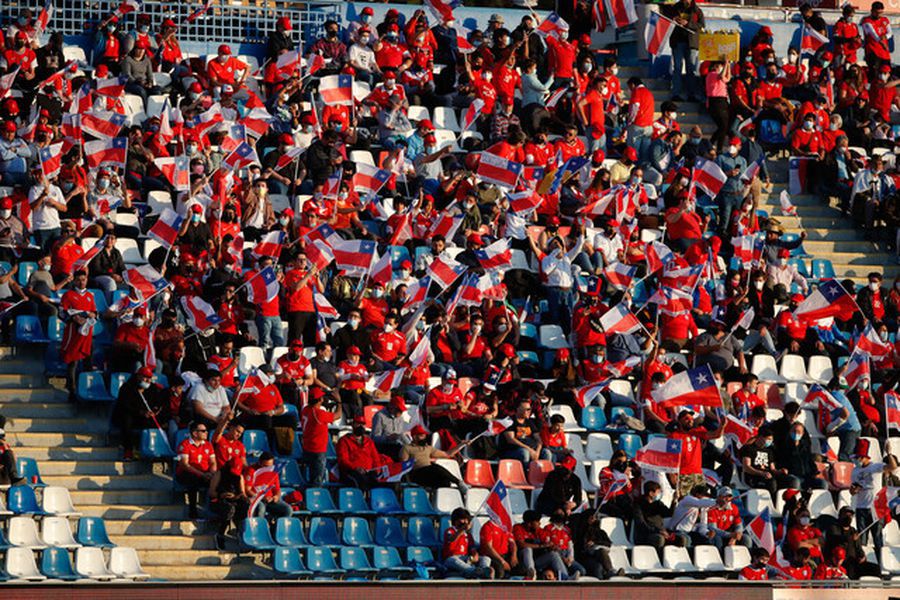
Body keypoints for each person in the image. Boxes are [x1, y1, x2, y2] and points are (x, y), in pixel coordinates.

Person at [60, 270, 97, 401]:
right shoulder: (68, 295)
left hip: (87, 333)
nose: (82, 282)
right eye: (79, 280)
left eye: (84, 279)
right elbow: (62, 313)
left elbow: (94, 312)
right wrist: (74, 318)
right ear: (74, 281)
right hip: (73, 332)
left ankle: (88, 389)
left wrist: (92, 315)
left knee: (88, 360)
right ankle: (72, 390)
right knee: (73, 361)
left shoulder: (90, 296)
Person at [850, 438, 892, 548]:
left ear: (864, 457)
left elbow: (893, 467)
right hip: (861, 508)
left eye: (858, 457)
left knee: (878, 539)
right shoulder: (855, 471)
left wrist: (890, 453)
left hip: (875, 508)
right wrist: (854, 490)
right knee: (862, 542)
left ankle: (880, 562)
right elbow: (852, 490)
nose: (856, 460)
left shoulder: (876, 467)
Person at [400, 425, 467, 489]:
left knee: (445, 481)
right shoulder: (407, 448)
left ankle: (450, 495)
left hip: (429, 473)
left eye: (424, 435)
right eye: (421, 436)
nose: (424, 437)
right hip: (416, 472)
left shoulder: (428, 448)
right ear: (414, 437)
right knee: (435, 467)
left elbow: (447, 454)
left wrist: (461, 445)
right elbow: (404, 465)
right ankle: (458, 482)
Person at [663, 0, 704, 102]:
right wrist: (674, 19)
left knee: (691, 68)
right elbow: (666, 19)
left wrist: (688, 23)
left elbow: (701, 26)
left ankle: (692, 94)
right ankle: (676, 93)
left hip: (692, 43)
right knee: (677, 68)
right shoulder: (674, 8)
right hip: (677, 42)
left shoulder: (697, 11)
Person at [175, 421, 217, 520]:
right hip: (187, 474)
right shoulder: (185, 444)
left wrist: (212, 474)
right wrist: (202, 475)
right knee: (192, 481)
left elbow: (213, 462)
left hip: (205, 474)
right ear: (194, 433)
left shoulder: (208, 445)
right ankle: (192, 511)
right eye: (203, 431)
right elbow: (184, 465)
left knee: (217, 481)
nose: (206, 432)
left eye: (206, 430)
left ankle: (214, 512)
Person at [300, 387, 341, 486]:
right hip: (317, 449)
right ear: (320, 400)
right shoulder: (318, 414)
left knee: (310, 477)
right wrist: (339, 401)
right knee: (317, 480)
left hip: (307, 447)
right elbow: (338, 415)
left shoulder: (306, 409)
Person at [335, 416, 388, 490]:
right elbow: (343, 460)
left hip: (369, 472)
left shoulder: (369, 442)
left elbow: (376, 458)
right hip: (351, 472)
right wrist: (356, 468)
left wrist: (377, 470)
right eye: (358, 424)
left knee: (383, 482)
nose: (361, 426)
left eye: (363, 424)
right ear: (353, 425)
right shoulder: (344, 441)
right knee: (361, 481)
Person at [513, 510, 568, 580]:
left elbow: (547, 542)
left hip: (537, 560)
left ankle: (565, 577)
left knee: (553, 555)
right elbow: (521, 544)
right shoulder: (518, 528)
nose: (539, 523)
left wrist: (551, 546)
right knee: (528, 549)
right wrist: (540, 546)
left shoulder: (539, 530)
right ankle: (531, 573)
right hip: (522, 561)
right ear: (529, 523)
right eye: (537, 522)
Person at [208, 457, 249, 551]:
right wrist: (222, 495)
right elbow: (211, 492)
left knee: (245, 505)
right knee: (229, 509)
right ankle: (220, 534)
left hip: (234, 499)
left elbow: (243, 493)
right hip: (220, 500)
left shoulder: (240, 477)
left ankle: (241, 532)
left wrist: (238, 496)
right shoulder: (219, 474)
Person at [442, 508, 492, 579]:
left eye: (466, 519)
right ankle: (474, 571)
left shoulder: (468, 535)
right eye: (462, 519)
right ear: (455, 520)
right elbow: (452, 539)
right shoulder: (450, 531)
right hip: (451, 558)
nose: (465, 522)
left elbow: (473, 549)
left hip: (465, 558)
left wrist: (475, 556)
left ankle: (484, 570)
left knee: (486, 558)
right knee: (454, 560)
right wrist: (462, 529)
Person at [371, 395, 410, 459]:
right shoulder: (379, 416)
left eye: (401, 410)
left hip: (397, 445)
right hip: (384, 446)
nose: (401, 412)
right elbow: (375, 438)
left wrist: (411, 445)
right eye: (399, 410)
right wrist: (387, 438)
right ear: (391, 407)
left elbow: (401, 434)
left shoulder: (400, 418)